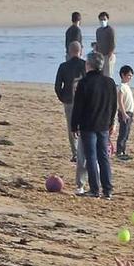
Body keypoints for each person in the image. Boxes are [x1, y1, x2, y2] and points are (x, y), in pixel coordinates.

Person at [71, 52, 119, 199]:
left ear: (88, 65)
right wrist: (112, 122)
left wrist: (74, 126)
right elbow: (113, 105)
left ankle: (94, 189)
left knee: (91, 157)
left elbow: (77, 107)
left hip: (88, 125)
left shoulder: (84, 83)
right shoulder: (109, 82)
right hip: (103, 124)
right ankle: (108, 189)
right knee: (103, 157)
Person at [54, 38, 89, 188]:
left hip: (68, 99)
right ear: (80, 52)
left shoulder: (63, 66)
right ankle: (81, 150)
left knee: (71, 126)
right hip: (83, 100)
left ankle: (75, 152)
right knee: (83, 125)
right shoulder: (84, 65)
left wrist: (62, 96)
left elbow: (57, 85)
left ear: (68, 52)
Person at [115, 65, 134, 161]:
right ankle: (119, 151)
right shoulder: (121, 87)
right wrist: (123, 113)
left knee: (126, 133)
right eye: (128, 75)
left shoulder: (127, 86)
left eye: (131, 76)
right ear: (123, 75)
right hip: (125, 112)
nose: (130, 77)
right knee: (123, 133)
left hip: (129, 112)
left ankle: (123, 151)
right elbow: (120, 101)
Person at [94, 11, 117, 77]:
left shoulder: (110, 30)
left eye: (104, 19)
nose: (102, 21)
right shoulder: (98, 30)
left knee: (108, 75)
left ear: (107, 20)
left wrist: (110, 53)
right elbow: (98, 42)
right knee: (101, 74)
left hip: (108, 55)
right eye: (101, 19)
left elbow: (113, 43)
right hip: (100, 56)